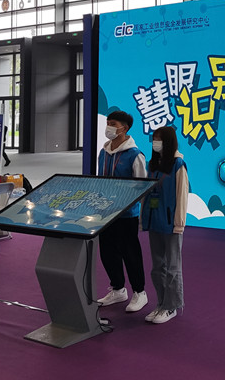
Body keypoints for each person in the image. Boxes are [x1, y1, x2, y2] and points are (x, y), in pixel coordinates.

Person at [97, 110, 148, 312]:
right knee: (107, 252)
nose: (108, 127)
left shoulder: (135, 155)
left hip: (126, 215)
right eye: (108, 122)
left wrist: (139, 215)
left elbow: (142, 187)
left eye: (113, 124)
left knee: (130, 253)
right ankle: (118, 289)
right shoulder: (103, 152)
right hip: (105, 213)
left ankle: (140, 292)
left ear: (124, 128)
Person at [141, 126, 188, 324]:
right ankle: (161, 303)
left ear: (168, 141)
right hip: (154, 222)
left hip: (171, 224)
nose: (155, 142)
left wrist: (179, 224)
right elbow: (146, 194)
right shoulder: (152, 165)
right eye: (154, 138)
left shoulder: (178, 165)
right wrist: (143, 219)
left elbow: (182, 196)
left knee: (172, 268)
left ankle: (171, 306)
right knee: (157, 267)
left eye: (159, 139)